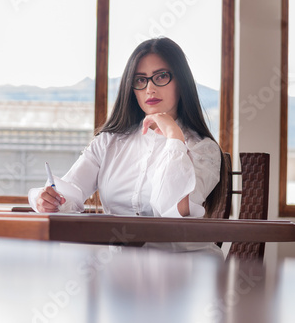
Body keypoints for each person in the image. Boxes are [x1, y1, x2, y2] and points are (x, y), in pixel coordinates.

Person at [28, 37, 227, 256]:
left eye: (161, 76)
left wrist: (174, 138)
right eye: (140, 80)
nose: (150, 88)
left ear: (181, 82)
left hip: (183, 268)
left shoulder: (204, 149)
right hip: (118, 270)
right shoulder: (109, 142)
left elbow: (171, 211)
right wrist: (48, 200)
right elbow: (70, 191)